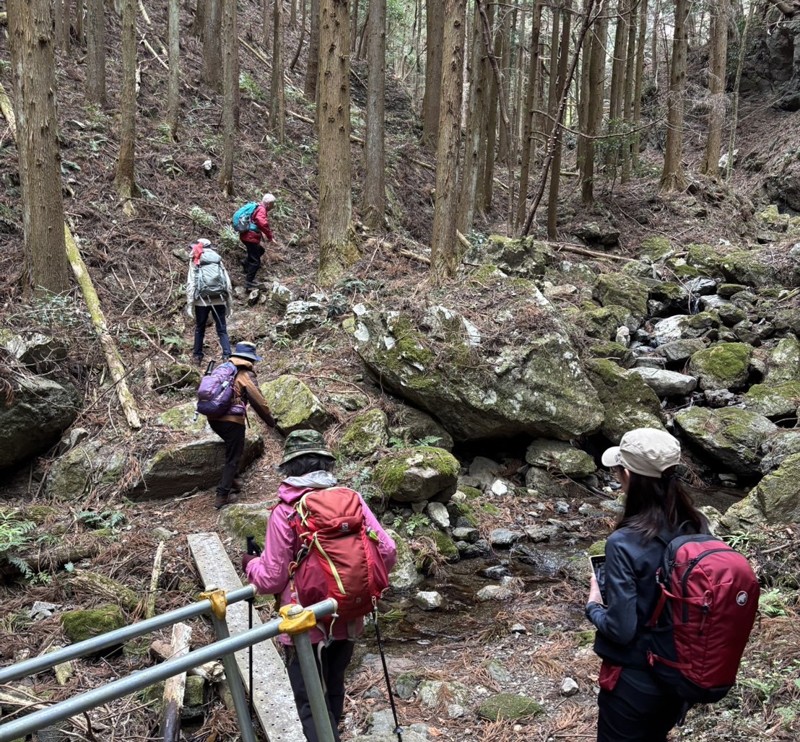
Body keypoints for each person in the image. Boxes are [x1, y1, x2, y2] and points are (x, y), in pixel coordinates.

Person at [241, 430, 397, 742]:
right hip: (347, 614)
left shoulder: (285, 510)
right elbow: (388, 551)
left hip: (304, 624)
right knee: (333, 687)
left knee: (311, 705)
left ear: (288, 468)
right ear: (326, 464)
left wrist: (250, 564)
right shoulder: (351, 501)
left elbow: (271, 578)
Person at [586, 427, 710, 742]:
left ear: (627, 475)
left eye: (618, 471)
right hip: (679, 675)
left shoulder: (623, 542)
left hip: (635, 683)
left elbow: (621, 629)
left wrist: (594, 605)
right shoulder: (697, 525)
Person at [206, 341, 276, 509]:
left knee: (232, 448)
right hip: (232, 421)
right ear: (250, 359)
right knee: (233, 457)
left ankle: (234, 479)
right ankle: (222, 496)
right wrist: (271, 421)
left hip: (213, 417)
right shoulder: (245, 374)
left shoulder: (223, 369)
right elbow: (258, 401)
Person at [186, 238, 233, 365]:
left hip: (202, 301)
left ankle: (197, 357)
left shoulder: (196, 259)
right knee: (222, 329)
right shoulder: (217, 259)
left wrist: (190, 304)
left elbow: (191, 283)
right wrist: (229, 304)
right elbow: (227, 282)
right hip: (219, 299)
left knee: (200, 328)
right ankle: (227, 355)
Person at [239, 193, 277, 289]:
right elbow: (262, 222)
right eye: (272, 204)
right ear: (268, 203)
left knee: (260, 250)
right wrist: (270, 237)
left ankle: (245, 263)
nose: (273, 206)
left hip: (246, 235)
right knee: (256, 262)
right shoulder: (261, 209)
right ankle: (248, 282)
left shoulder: (257, 207)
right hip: (250, 237)